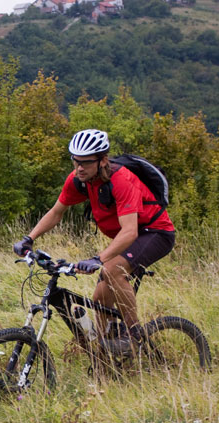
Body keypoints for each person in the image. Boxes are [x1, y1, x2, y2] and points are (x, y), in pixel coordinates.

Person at [12, 129, 176, 355]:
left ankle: (133, 335)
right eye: (76, 161)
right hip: (127, 237)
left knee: (112, 270)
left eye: (86, 162)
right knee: (99, 300)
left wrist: (98, 259)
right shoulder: (78, 180)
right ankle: (106, 354)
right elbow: (57, 212)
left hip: (154, 233)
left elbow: (130, 232)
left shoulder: (121, 180)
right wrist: (28, 239)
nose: (79, 167)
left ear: (103, 161)